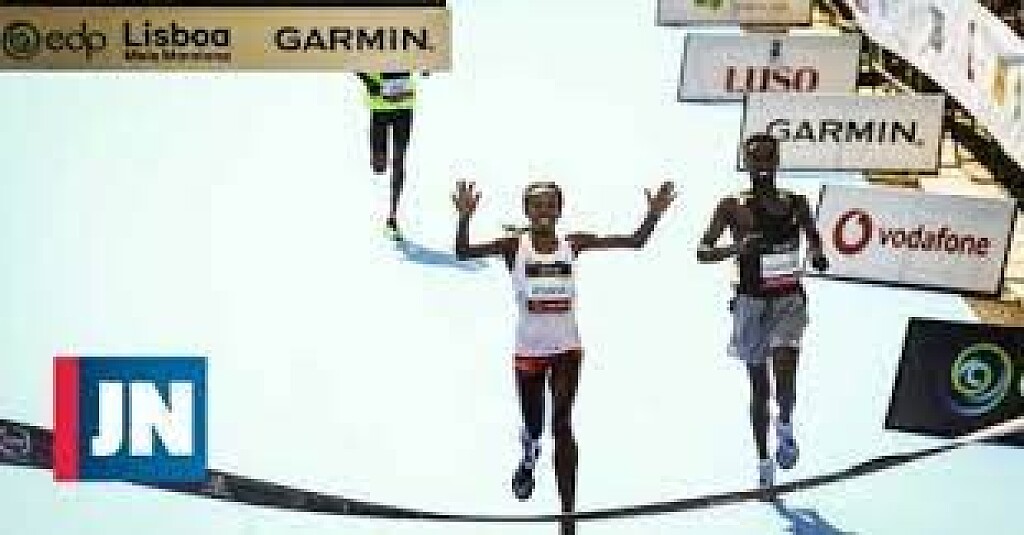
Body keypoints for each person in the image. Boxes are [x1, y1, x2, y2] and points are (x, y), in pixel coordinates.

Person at [453, 179, 676, 534]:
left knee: (562, 425)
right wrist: (464, 217)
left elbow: (635, 241)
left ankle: (567, 515)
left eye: (550, 205)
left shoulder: (573, 244)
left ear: (559, 210)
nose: (544, 211)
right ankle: (529, 457)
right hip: (529, 350)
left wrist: (653, 215)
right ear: (526, 211)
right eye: (537, 205)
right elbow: (463, 252)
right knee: (534, 426)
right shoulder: (514, 246)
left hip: (567, 350)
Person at [696, 133, 829, 491]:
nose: (763, 164)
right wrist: (737, 248)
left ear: (777, 161)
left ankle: (785, 424)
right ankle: (763, 461)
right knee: (759, 389)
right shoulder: (731, 206)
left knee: (785, 371)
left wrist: (817, 254)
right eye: (756, 158)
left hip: (788, 299)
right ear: (747, 163)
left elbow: (814, 237)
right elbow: (702, 251)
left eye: (769, 157)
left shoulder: (797, 203)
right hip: (750, 303)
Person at [355, 71, 426, 241]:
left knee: (399, 159)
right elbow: (352, 59)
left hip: (404, 103)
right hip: (379, 103)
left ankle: (392, 217)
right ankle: (379, 160)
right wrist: (367, 80)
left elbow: (424, 61)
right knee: (379, 167)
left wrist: (426, 66)